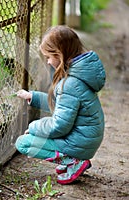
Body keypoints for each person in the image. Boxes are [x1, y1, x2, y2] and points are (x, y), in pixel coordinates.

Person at [15, 25, 106, 185]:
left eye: (49, 57)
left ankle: (73, 161)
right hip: (86, 138)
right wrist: (33, 97)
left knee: (23, 142)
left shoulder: (70, 83)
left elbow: (59, 126)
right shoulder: (79, 75)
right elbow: (61, 104)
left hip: (80, 141)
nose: (49, 62)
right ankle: (72, 159)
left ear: (60, 54)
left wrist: (35, 126)